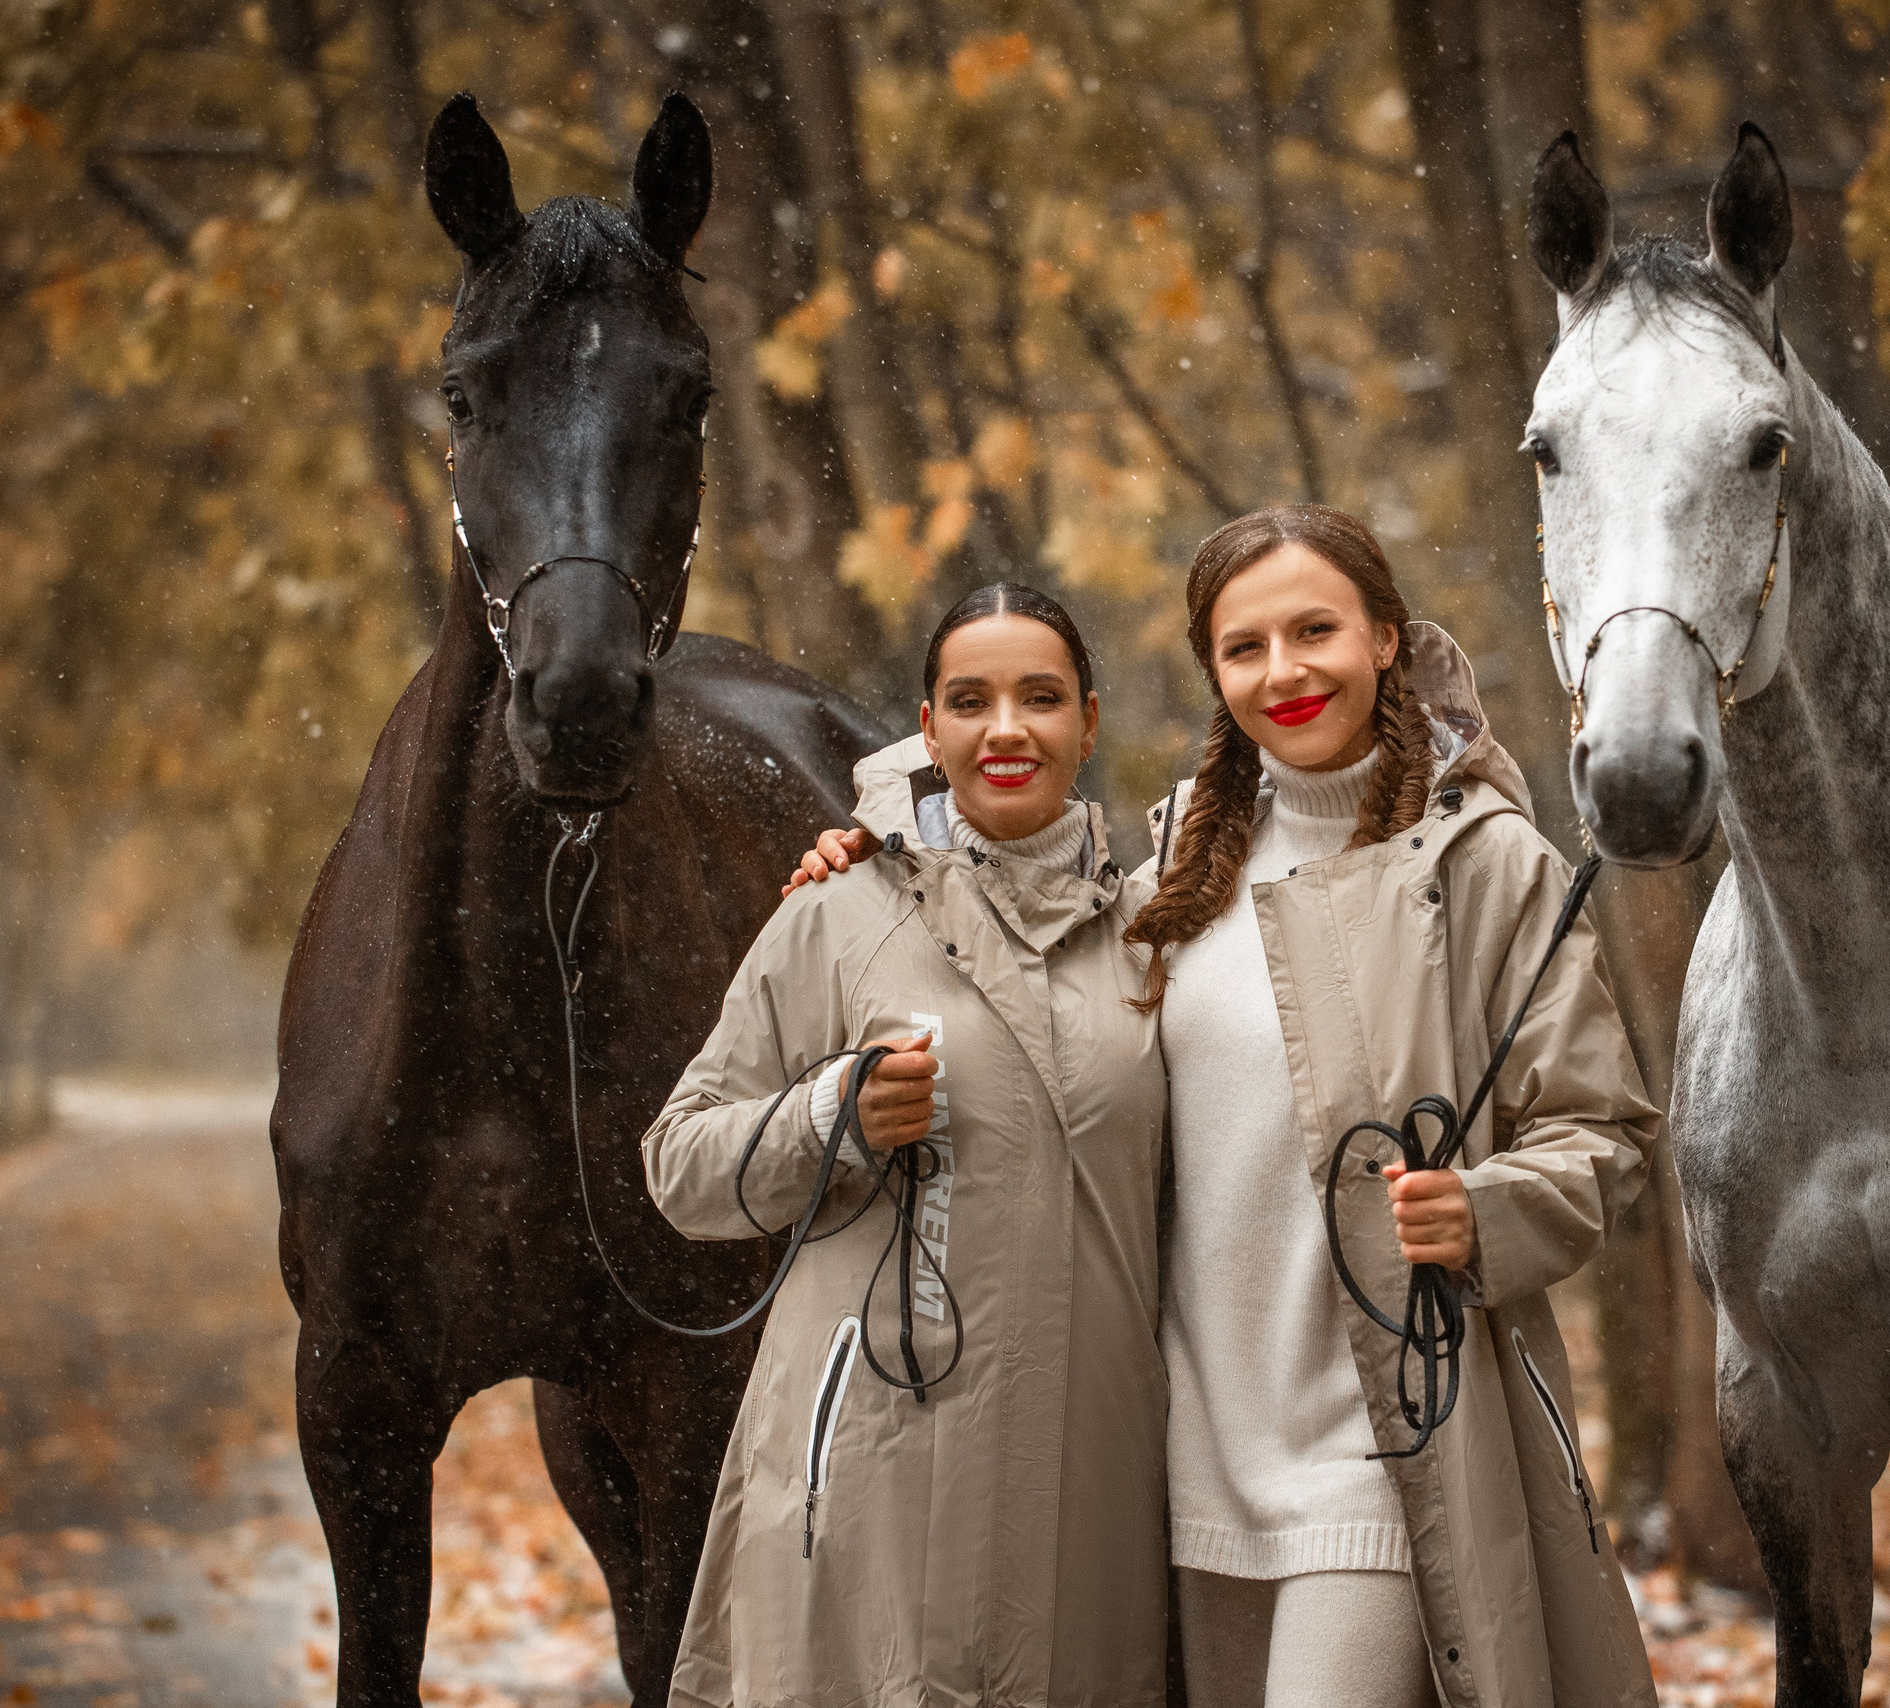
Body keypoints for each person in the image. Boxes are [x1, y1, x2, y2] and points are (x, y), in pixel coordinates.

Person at [789, 507, 1661, 1708]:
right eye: (1244, 648)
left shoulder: (1484, 867)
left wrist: (1488, 1207)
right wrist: (871, 846)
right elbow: (996, 908)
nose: (1284, 672)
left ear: (1389, 642)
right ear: (1214, 674)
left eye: (1317, 631)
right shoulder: (1163, 887)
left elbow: (1603, 1130)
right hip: (1179, 1463)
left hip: (1383, 1447)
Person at [642, 583, 1170, 1708]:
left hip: (1089, 1468)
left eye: (1040, 697)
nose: (1006, 729)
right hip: (868, 1449)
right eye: (969, 700)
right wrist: (831, 1112)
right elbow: (680, 1166)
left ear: (1087, 717)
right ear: (927, 730)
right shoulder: (838, 908)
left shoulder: (1156, 936)